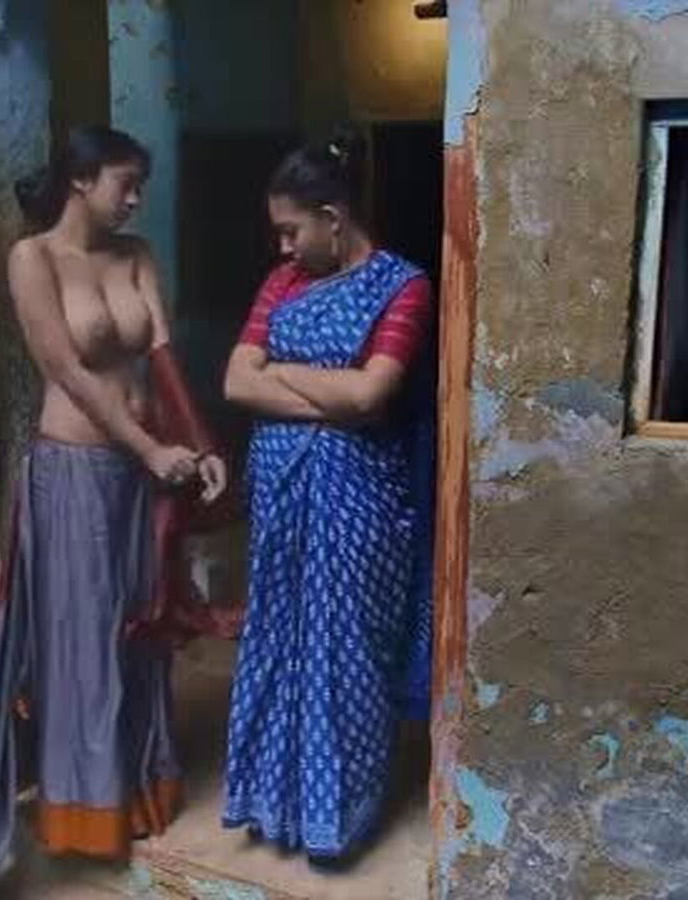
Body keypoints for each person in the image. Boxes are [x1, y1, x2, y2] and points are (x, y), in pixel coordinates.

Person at [0, 125, 228, 899]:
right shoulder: (33, 259)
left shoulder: (136, 254)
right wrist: (150, 449)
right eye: (125, 182)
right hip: (76, 473)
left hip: (144, 472)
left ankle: (139, 786)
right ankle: (85, 809)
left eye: (140, 184)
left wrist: (198, 443)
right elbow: (71, 373)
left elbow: (161, 357)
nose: (136, 198)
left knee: (143, 628)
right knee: (84, 637)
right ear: (82, 180)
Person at [221, 127, 437, 864]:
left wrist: (281, 375)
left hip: (362, 503)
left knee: (347, 653)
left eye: (291, 231)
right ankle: (275, 807)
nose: (282, 247)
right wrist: (330, 397)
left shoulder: (404, 286)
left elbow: (374, 394)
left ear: (333, 219)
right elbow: (236, 380)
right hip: (281, 499)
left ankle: (336, 822)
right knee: (278, 640)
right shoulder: (281, 284)